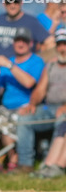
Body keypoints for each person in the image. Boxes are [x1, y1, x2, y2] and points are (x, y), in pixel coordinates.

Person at [0, 28, 45, 172]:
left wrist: (10, 66)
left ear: (30, 43)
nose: (20, 43)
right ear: (13, 43)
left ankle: (13, 163)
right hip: (5, 107)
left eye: (24, 41)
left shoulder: (36, 61)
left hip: (27, 107)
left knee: (8, 128)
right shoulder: (8, 62)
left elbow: (29, 83)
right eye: (18, 40)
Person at [0, 0, 50, 106]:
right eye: (9, 2)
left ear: (21, 2)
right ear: (4, 3)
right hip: (0, 74)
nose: (12, 5)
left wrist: (38, 61)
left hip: (24, 73)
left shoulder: (31, 22)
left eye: (15, 2)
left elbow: (49, 41)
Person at [18, 27, 66, 173]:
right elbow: (40, 89)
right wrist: (32, 104)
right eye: (59, 44)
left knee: (62, 120)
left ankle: (51, 164)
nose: (62, 48)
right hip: (48, 107)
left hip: (63, 110)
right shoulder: (50, 66)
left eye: (65, 44)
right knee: (24, 120)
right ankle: (25, 165)